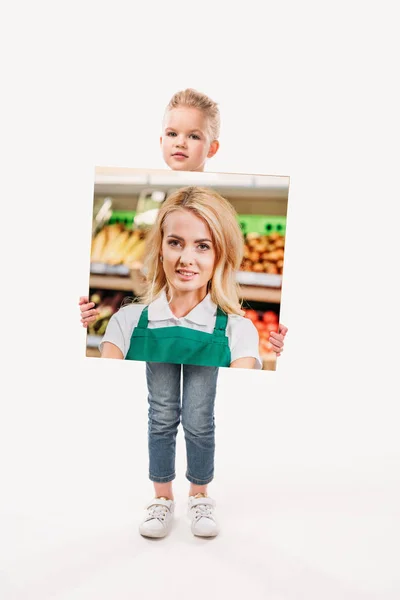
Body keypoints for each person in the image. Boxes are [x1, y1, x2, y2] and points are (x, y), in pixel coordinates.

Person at [79, 89, 288, 538]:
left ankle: (198, 495)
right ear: (160, 249)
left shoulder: (235, 329)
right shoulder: (128, 320)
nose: (186, 258)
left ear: (220, 257)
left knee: (198, 418)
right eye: (175, 243)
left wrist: (280, 348)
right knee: (160, 415)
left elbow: (251, 372)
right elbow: (96, 378)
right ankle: (160, 498)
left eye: (203, 245)